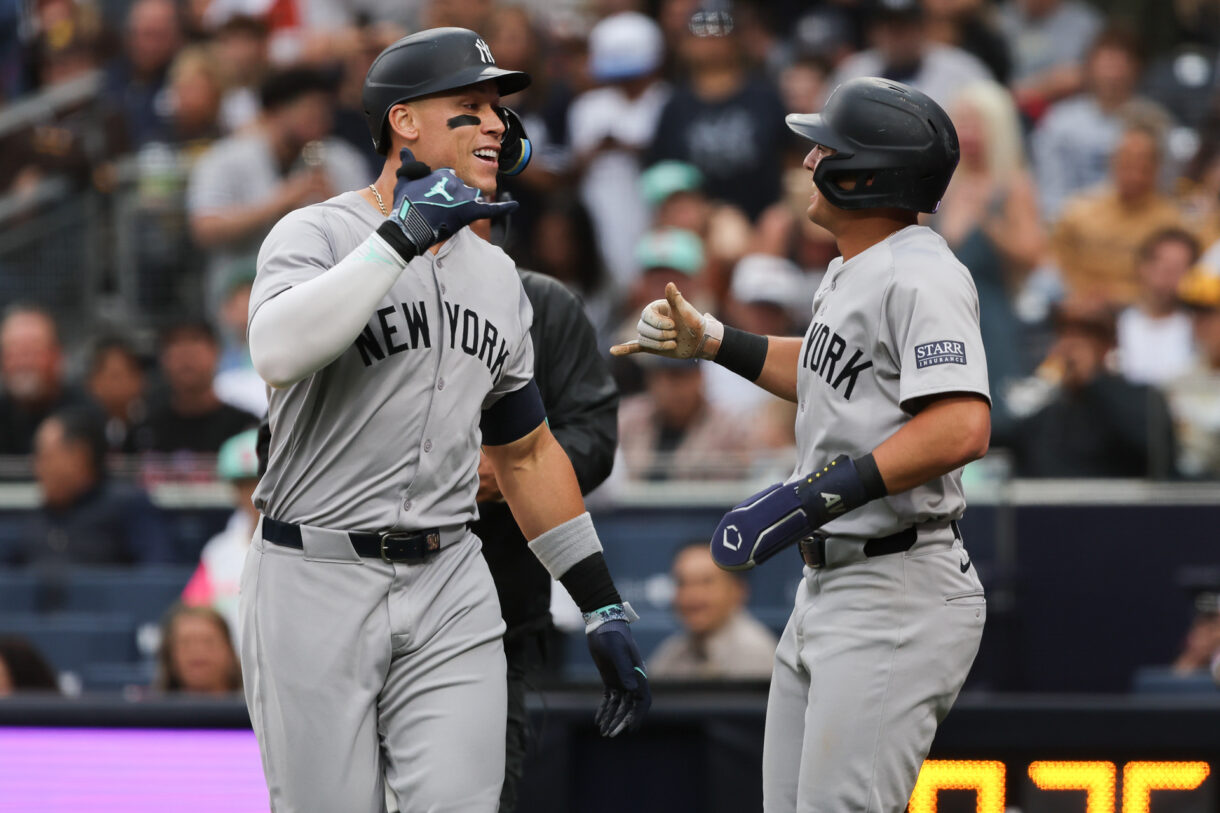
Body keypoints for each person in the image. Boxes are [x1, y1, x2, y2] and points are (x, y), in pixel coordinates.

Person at [240, 28, 649, 813]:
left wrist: (596, 597)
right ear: (404, 122)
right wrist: (398, 239)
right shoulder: (318, 232)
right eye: (471, 106)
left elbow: (527, 451)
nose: (497, 124)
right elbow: (277, 351)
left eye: (498, 109)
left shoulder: (496, 275)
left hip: (450, 574)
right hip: (315, 568)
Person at [613, 77, 989, 812]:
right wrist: (717, 341)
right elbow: (827, 368)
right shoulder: (857, 264)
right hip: (834, 580)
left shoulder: (923, 274)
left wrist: (825, 491)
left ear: (869, 174)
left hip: (898, 581)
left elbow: (960, 425)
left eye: (828, 148)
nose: (810, 159)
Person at [474, 267, 619, 813]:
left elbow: (591, 439)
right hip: (358, 602)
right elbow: (281, 450)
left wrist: (504, 474)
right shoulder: (357, 284)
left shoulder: (539, 304)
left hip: (497, 614)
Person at [187, 66, 371, 311]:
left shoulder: (342, 158)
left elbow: (370, 230)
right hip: (241, 296)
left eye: (324, 108)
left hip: (322, 294)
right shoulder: (224, 158)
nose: (319, 118)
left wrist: (333, 203)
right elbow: (205, 228)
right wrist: (280, 201)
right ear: (274, 112)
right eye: (308, 108)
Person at [1007, 296, 1176, 478]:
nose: (1071, 343)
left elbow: (1155, 454)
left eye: (1087, 333)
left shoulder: (1143, 398)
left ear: (1109, 344)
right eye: (1064, 331)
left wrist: (1093, 381)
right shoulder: (1047, 414)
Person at [3, 407, 173, 565]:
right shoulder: (33, 520)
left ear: (80, 456)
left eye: (46, 457)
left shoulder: (128, 508)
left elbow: (157, 578)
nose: (37, 468)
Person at [1031, 28, 1168, 220]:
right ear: (1090, 66)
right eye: (1107, 63)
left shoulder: (1155, 121)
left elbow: (1162, 189)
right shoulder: (1059, 121)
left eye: (1121, 64)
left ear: (1136, 68)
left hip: (1136, 226)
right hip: (1070, 226)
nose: (1113, 74)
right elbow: (1050, 191)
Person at [1049, 124, 1186, 306]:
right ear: (1113, 162)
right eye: (1127, 164)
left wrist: (1119, 295)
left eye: (1143, 167)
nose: (1134, 176)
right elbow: (1054, 259)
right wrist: (1081, 291)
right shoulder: (1078, 211)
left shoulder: (1172, 223)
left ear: (1157, 169)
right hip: (1080, 307)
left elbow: (1177, 279)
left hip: (1144, 311)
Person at [649, 542, 777, 681]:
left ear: (738, 590)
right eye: (682, 583)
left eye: (706, 582)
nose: (692, 595)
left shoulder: (754, 653)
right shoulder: (672, 652)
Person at [132, 321, 260, 455]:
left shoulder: (247, 430)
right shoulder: (144, 435)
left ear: (216, 352)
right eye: (176, 345)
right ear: (163, 358)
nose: (186, 355)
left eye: (195, 342)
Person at [181, 429, 261, 637]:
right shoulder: (218, 552)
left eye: (263, 480)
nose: (256, 494)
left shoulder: (307, 543)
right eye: (245, 485)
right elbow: (192, 616)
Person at [1116, 229, 1199, 386]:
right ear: (1142, 266)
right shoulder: (1111, 322)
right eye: (1161, 263)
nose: (1167, 274)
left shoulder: (1202, 329)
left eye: (1178, 268)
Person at [0, 306, 83, 457]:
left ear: (56, 355)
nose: (24, 363)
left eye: (33, 352)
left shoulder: (83, 415)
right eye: (14, 352)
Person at [1164, 267, 1220, 479]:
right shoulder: (1181, 379)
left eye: (1210, 314)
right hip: (1193, 494)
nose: (1200, 324)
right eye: (1195, 315)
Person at [154, 604, 243, 694]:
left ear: (229, 651)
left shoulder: (254, 705)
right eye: (186, 643)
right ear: (170, 655)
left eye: (208, 642)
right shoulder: (150, 705)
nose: (197, 650)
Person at [85, 335, 148, 454]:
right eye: (113, 376)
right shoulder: (84, 430)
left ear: (140, 379)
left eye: (124, 375)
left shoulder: (152, 425)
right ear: (92, 382)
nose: (118, 384)